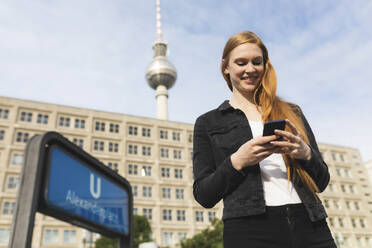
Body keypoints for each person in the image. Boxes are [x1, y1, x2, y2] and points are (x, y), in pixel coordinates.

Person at [192, 31, 336, 248]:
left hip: (311, 225)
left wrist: (305, 153)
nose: (250, 69)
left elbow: (322, 182)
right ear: (225, 67)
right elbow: (204, 195)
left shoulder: (291, 112)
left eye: (256, 62)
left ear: (264, 66)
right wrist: (237, 162)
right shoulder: (208, 122)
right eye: (241, 62)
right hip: (249, 231)